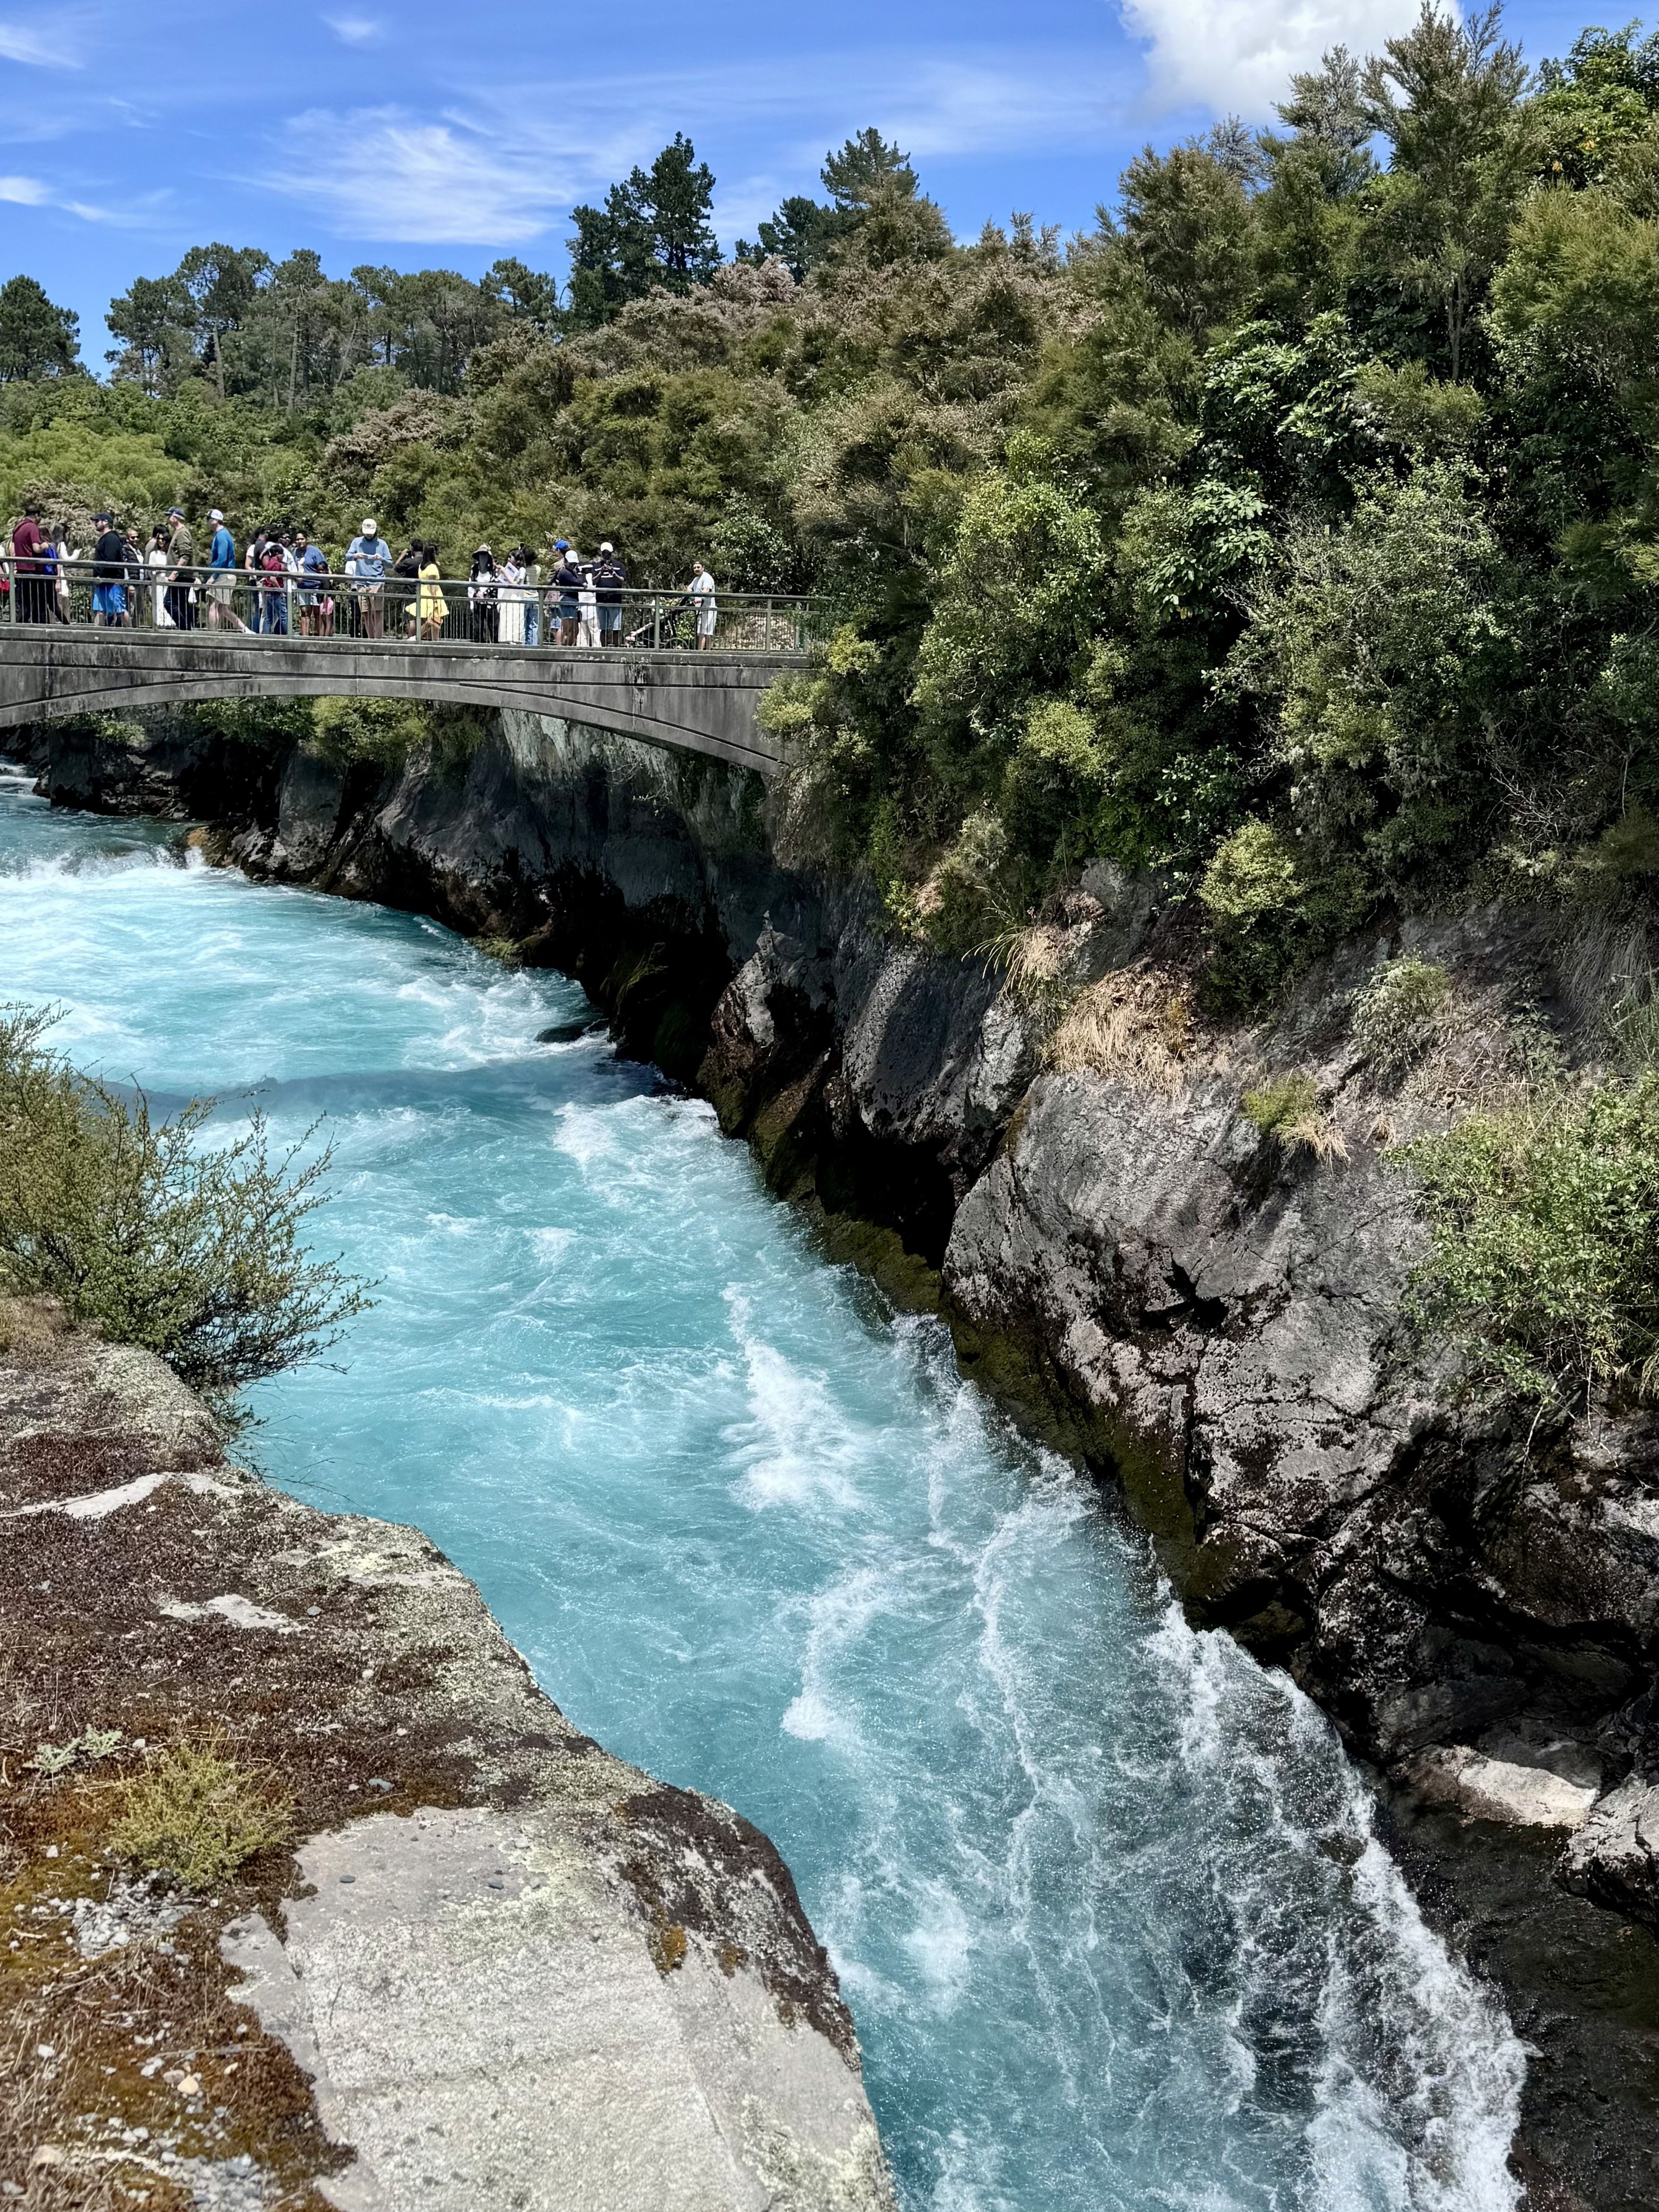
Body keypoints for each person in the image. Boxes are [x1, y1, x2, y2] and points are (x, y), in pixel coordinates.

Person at [346, 517, 392, 640]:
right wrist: (356, 556)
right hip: (361, 583)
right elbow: (348, 556)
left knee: (378, 612)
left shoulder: (382, 544)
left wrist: (381, 558)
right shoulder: (357, 542)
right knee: (365, 613)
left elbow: (390, 564)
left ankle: (378, 639)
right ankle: (371, 639)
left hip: (377, 582)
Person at [204, 509, 245, 631]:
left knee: (213, 606)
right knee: (223, 609)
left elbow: (222, 558)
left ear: (216, 520)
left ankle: (213, 635)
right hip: (226, 574)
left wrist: (213, 576)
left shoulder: (221, 535)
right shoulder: (223, 534)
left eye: (209, 518)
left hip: (223, 574)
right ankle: (245, 629)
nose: (207, 521)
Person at [11, 502, 50, 623]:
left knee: (25, 602)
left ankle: (19, 625)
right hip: (32, 570)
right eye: (40, 517)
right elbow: (36, 548)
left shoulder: (18, 527)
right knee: (37, 602)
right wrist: (45, 545)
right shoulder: (32, 527)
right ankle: (40, 626)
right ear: (36, 516)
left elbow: (12, 550)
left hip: (21, 569)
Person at [91, 513, 131, 627]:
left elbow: (111, 559)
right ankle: (96, 637)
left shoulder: (111, 539)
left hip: (113, 582)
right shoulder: (104, 539)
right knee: (100, 610)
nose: (96, 523)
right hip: (103, 582)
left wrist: (101, 575)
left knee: (120, 610)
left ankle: (132, 635)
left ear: (106, 522)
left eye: (98, 521)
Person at [164, 506, 195, 630]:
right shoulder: (178, 532)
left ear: (175, 518)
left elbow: (186, 554)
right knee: (181, 605)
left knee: (169, 602)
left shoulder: (182, 533)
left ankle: (184, 628)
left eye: (169, 516)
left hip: (182, 577)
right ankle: (187, 631)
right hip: (182, 576)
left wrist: (174, 573)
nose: (168, 519)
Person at [591, 541, 625, 646]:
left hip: (615, 601)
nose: (606, 555)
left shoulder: (619, 565)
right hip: (601, 601)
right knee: (603, 628)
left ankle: (617, 649)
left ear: (611, 553)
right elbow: (594, 582)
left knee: (616, 628)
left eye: (608, 553)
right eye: (604, 553)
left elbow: (622, 581)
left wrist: (614, 573)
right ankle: (604, 649)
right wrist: (601, 572)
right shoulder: (596, 566)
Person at [551, 540, 584, 646]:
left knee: (574, 629)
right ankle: (564, 648)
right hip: (567, 599)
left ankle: (569, 647)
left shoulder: (573, 571)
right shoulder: (564, 572)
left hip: (573, 600)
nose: (573, 565)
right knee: (568, 628)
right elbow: (578, 583)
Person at [295, 533, 329, 636]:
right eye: (298, 540)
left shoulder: (315, 552)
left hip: (315, 586)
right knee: (305, 612)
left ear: (307, 539)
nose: (300, 541)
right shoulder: (295, 553)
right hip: (302, 587)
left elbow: (324, 567)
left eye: (302, 539)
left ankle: (318, 636)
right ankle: (305, 636)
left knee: (317, 612)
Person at [415, 542, 448, 640]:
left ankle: (425, 638)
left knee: (433, 621)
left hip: (423, 593)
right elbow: (432, 585)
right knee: (436, 621)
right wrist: (435, 600)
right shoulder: (432, 568)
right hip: (432, 594)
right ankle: (426, 639)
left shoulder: (422, 567)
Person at [497, 546, 528, 646]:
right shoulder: (508, 568)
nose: (509, 559)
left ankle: (516, 640)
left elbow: (516, 583)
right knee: (507, 617)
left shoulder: (522, 570)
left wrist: (505, 573)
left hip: (516, 597)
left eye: (511, 557)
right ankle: (505, 639)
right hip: (507, 595)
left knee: (516, 618)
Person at [467, 546, 498, 645]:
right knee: (479, 625)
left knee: (492, 625)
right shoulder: (474, 569)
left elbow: (496, 585)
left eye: (485, 556)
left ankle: (494, 645)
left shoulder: (492, 570)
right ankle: (480, 644)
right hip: (478, 602)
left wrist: (486, 594)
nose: (483, 558)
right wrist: (472, 602)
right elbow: (471, 585)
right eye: (481, 556)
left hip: (490, 602)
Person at [687, 559, 717, 649]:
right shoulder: (696, 579)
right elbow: (689, 587)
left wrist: (700, 598)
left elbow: (706, 590)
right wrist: (692, 596)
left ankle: (707, 653)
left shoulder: (707, 577)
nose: (696, 569)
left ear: (703, 568)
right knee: (700, 633)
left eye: (698, 567)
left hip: (709, 609)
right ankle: (700, 652)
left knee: (707, 633)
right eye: (695, 568)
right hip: (700, 610)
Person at [147, 527, 171, 626]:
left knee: (169, 602)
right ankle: (160, 623)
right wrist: (157, 571)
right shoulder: (154, 554)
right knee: (159, 603)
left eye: (163, 539)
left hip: (168, 581)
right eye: (159, 539)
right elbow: (150, 569)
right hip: (158, 582)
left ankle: (170, 623)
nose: (161, 541)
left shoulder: (170, 554)